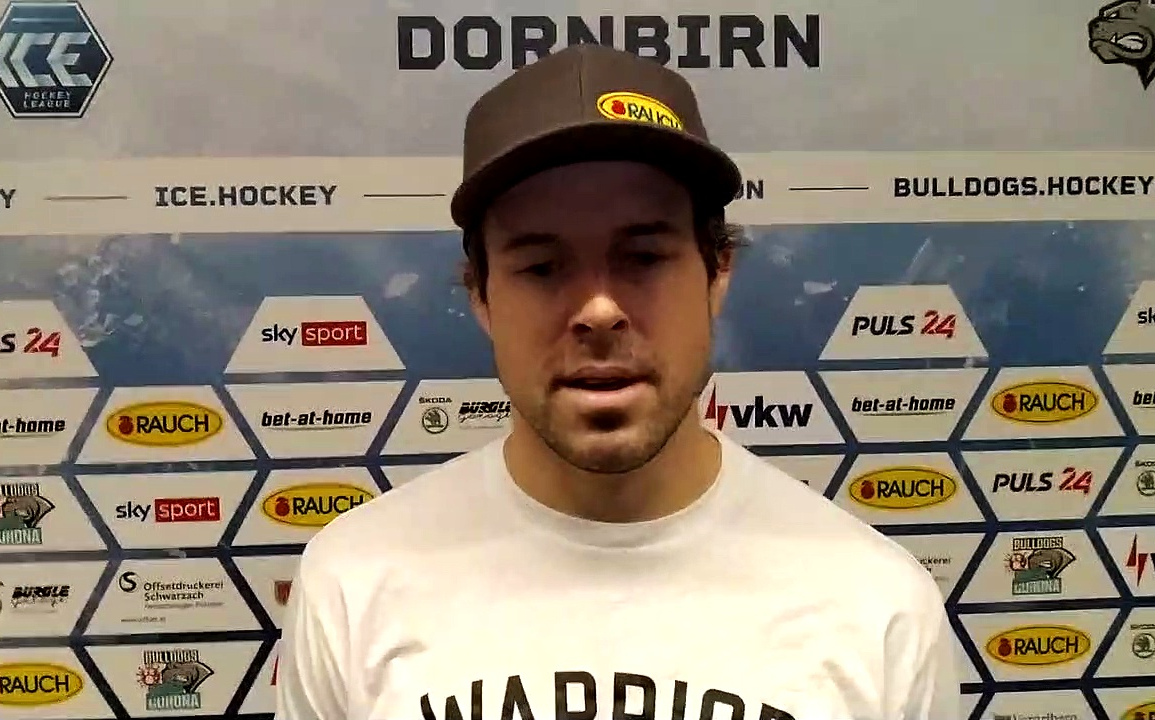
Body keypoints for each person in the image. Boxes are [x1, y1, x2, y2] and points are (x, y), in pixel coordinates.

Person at [276, 43, 958, 720]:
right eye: (542, 268)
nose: (599, 310)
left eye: (644, 257)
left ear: (718, 272)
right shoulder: (353, 581)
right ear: (480, 294)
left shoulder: (878, 606)